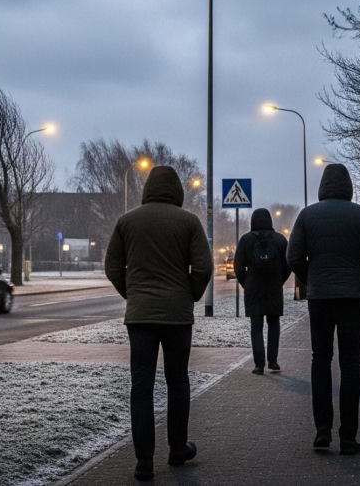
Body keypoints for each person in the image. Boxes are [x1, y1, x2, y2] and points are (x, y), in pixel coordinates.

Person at [104, 165, 213, 482]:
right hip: (178, 316)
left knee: (141, 387)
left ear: (147, 188)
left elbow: (112, 265)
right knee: (178, 380)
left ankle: (144, 462)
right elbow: (203, 267)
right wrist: (189, 294)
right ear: (177, 190)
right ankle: (177, 449)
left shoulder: (127, 222)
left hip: (140, 317)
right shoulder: (189, 222)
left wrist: (133, 294)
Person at [286, 163, 360, 455]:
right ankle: (348, 436)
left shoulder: (307, 215)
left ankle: (322, 430)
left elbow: (293, 256)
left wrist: (310, 279)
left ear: (322, 186)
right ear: (348, 186)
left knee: (320, 360)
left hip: (320, 298)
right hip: (353, 299)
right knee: (351, 364)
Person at [234, 207, 291, 374]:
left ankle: (259, 364)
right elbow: (288, 264)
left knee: (256, 326)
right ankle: (272, 361)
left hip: (253, 288)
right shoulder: (280, 240)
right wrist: (280, 280)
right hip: (274, 287)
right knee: (274, 324)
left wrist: (246, 283)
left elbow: (238, 267)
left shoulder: (246, 240)